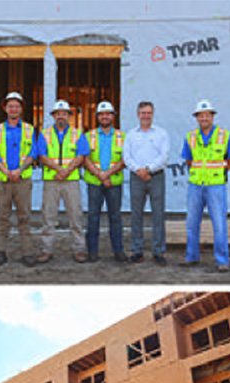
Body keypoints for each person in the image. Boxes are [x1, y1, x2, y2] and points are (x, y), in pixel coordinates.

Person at [179, 100, 230, 271]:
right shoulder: (190, 137)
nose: (204, 118)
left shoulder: (224, 135)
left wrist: (220, 170)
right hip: (196, 185)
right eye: (201, 115)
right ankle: (192, 257)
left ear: (212, 116)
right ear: (196, 118)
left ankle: (222, 261)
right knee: (192, 223)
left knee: (219, 224)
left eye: (207, 115)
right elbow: (189, 159)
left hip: (216, 186)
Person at [36, 99, 89, 263]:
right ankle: (46, 250)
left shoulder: (77, 134)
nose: (61, 116)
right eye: (58, 114)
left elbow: (81, 155)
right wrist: (60, 170)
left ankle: (79, 249)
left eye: (64, 114)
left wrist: (66, 171)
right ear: (53, 116)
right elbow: (42, 155)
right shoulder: (44, 134)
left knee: (75, 216)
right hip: (52, 180)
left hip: (71, 180)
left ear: (69, 116)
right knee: (48, 216)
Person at [0, 91, 38, 267]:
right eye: (10, 105)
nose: (13, 109)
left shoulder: (29, 129)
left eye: (17, 105)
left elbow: (32, 154)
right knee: (3, 218)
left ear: (21, 109)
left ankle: (27, 253)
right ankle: (0, 252)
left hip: (22, 180)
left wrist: (18, 170)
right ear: (5, 108)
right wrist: (8, 171)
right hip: (3, 181)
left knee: (24, 217)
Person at [122, 101, 170, 265]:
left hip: (156, 176)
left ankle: (158, 252)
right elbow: (126, 157)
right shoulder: (130, 134)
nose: (146, 116)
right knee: (136, 215)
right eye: (143, 112)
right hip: (136, 177)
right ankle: (137, 251)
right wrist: (139, 170)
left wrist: (148, 169)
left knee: (158, 214)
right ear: (138, 114)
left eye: (149, 112)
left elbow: (164, 157)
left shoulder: (161, 133)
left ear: (153, 114)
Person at [83, 101, 127, 262]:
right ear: (97, 117)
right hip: (94, 182)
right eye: (102, 114)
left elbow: (125, 160)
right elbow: (85, 159)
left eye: (108, 113)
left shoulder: (122, 137)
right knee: (93, 217)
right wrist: (100, 175)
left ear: (113, 116)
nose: (105, 116)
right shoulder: (89, 136)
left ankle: (118, 251)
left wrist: (107, 174)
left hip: (114, 183)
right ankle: (92, 252)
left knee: (115, 217)